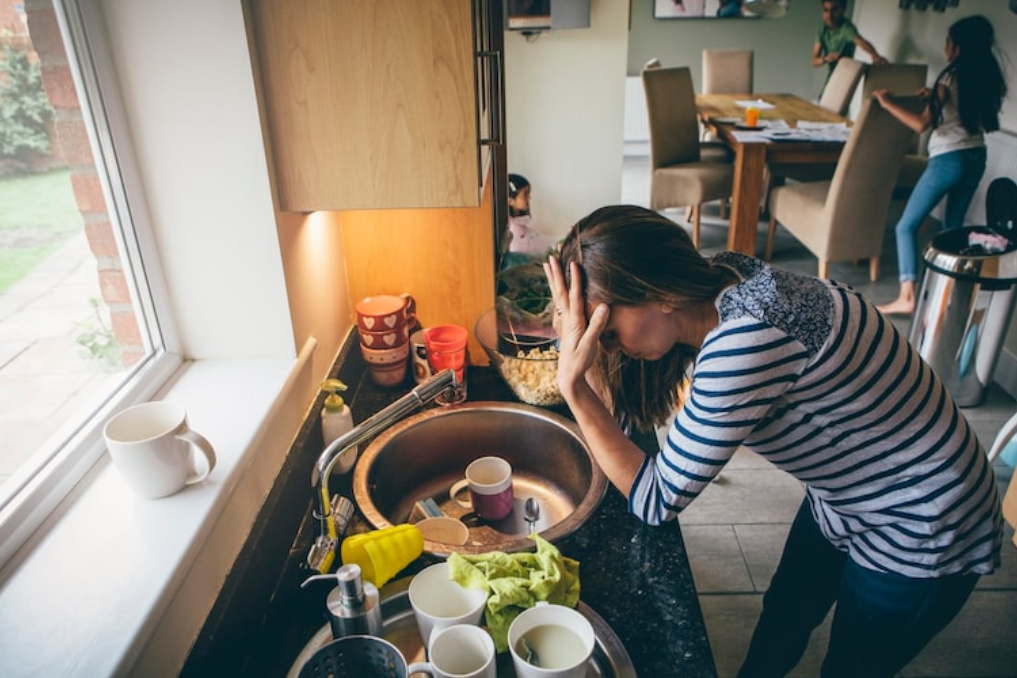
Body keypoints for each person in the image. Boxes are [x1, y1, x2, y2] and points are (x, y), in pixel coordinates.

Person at [543, 204, 1001, 678]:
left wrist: (573, 385)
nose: (607, 347)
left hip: (923, 519)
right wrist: (576, 344)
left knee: (851, 665)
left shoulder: (745, 342)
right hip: (846, 495)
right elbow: (615, 425)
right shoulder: (727, 275)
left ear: (661, 294)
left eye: (607, 332)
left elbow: (654, 498)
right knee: (786, 611)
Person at [874, 15, 1007, 316]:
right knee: (952, 227)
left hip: (949, 159)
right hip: (976, 156)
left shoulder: (949, 78)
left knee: (906, 225)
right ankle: (951, 293)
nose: (945, 48)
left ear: (958, 47)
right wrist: (934, 96)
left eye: (948, 42)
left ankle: (907, 296)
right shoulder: (983, 76)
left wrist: (887, 103)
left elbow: (922, 124)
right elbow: (966, 111)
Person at [812, 0, 887, 81]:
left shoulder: (847, 28)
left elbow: (861, 42)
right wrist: (826, 59)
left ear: (843, 9)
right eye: (826, 10)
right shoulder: (822, 28)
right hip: (831, 75)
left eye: (834, 10)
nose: (829, 16)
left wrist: (875, 56)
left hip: (845, 75)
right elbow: (814, 61)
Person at [502, 173, 554, 269]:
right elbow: (522, 249)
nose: (529, 198)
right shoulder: (513, 227)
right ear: (510, 200)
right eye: (525, 194)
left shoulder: (522, 221)